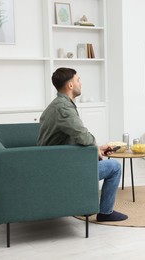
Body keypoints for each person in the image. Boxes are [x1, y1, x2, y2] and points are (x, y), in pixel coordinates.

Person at [37, 67, 128, 222]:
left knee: (103, 159)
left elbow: (72, 138)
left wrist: (97, 149)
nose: (80, 83)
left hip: (54, 161)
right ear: (70, 85)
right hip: (60, 169)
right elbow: (83, 136)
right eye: (78, 80)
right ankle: (105, 212)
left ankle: (86, 205)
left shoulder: (59, 104)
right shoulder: (63, 108)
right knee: (115, 167)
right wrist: (94, 148)